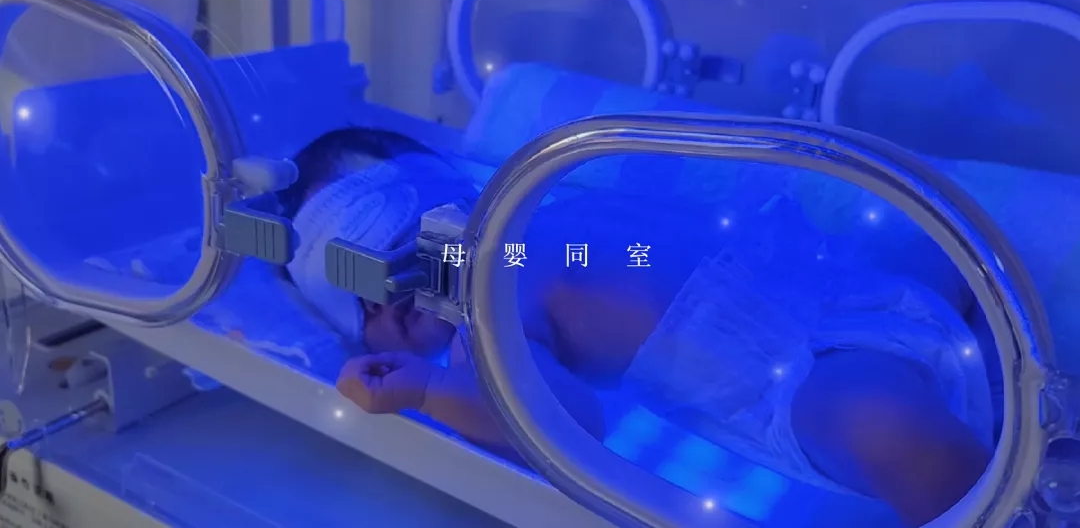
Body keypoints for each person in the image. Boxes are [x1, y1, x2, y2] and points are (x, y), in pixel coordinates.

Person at [284, 127, 993, 527]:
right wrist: (428, 389)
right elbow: (567, 417)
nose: (383, 299)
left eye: (383, 253)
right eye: (362, 308)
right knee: (891, 433)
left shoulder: (538, 204)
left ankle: (1013, 380)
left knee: (947, 254)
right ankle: (1011, 497)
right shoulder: (484, 324)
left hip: (830, 277)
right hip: (786, 373)